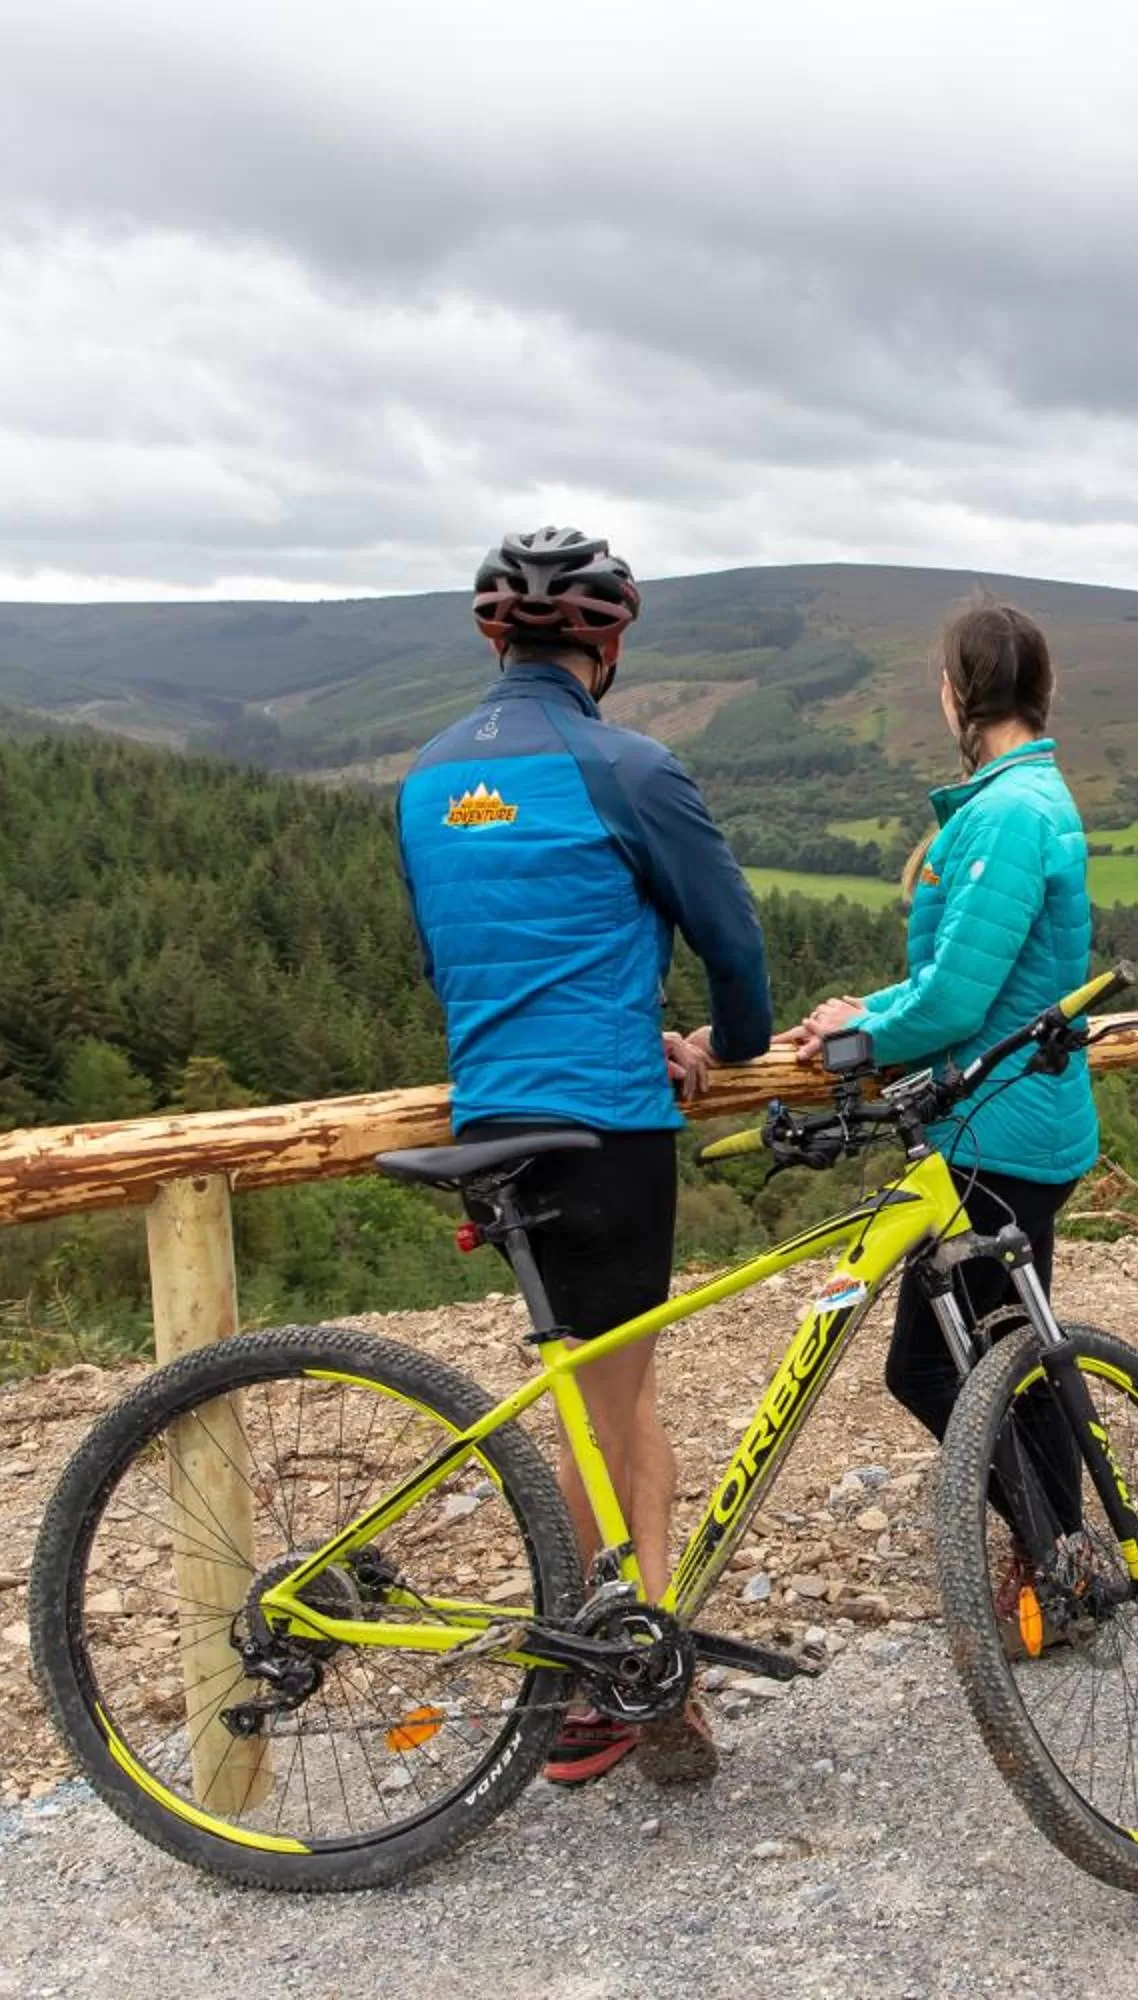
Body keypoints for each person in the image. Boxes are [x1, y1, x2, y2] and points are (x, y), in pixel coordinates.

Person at [395, 525, 771, 1789]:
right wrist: (730, 1045)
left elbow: (444, 960)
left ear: (495, 633)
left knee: (585, 1401)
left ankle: (597, 1662)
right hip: (610, 1123)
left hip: (494, 1119)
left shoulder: (426, 778)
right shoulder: (630, 767)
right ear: (606, 641)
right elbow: (735, 947)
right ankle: (621, 1682)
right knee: (622, 1409)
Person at [788, 595, 1097, 1512]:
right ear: (1043, 689)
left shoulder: (1008, 815)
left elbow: (959, 999)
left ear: (954, 694)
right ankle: (1061, 1549)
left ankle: (1061, 1551)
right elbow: (971, 976)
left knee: (954, 1366)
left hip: (999, 1129)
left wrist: (858, 1038)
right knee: (1001, 1353)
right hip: (1008, 1116)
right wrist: (866, 1012)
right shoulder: (1023, 800)